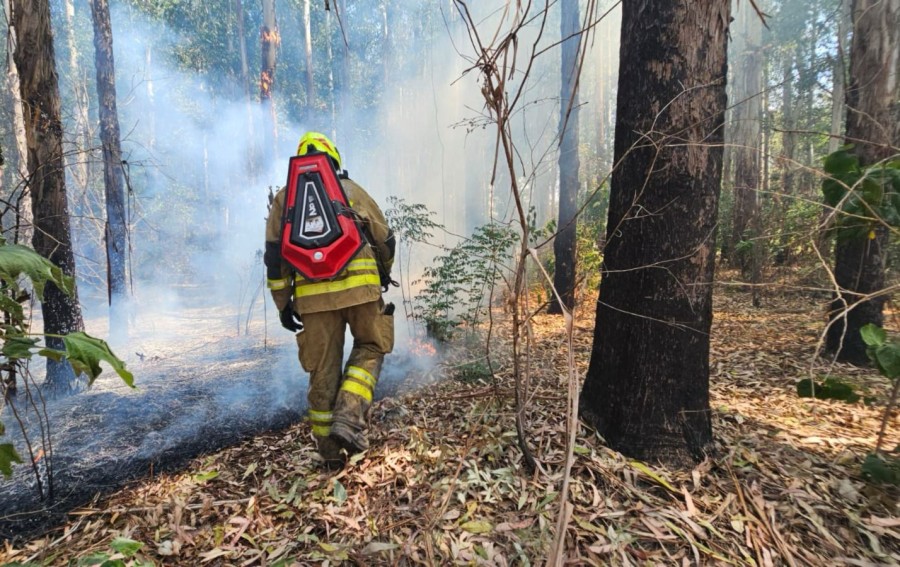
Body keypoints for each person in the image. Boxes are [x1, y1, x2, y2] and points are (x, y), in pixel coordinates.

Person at [265, 131, 395, 467]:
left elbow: (274, 258)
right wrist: (382, 274)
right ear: (334, 158)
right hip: (361, 292)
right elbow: (385, 237)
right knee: (372, 346)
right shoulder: (351, 190)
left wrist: (283, 304)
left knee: (322, 370)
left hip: (313, 301)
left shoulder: (284, 199)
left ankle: (329, 455)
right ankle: (350, 418)